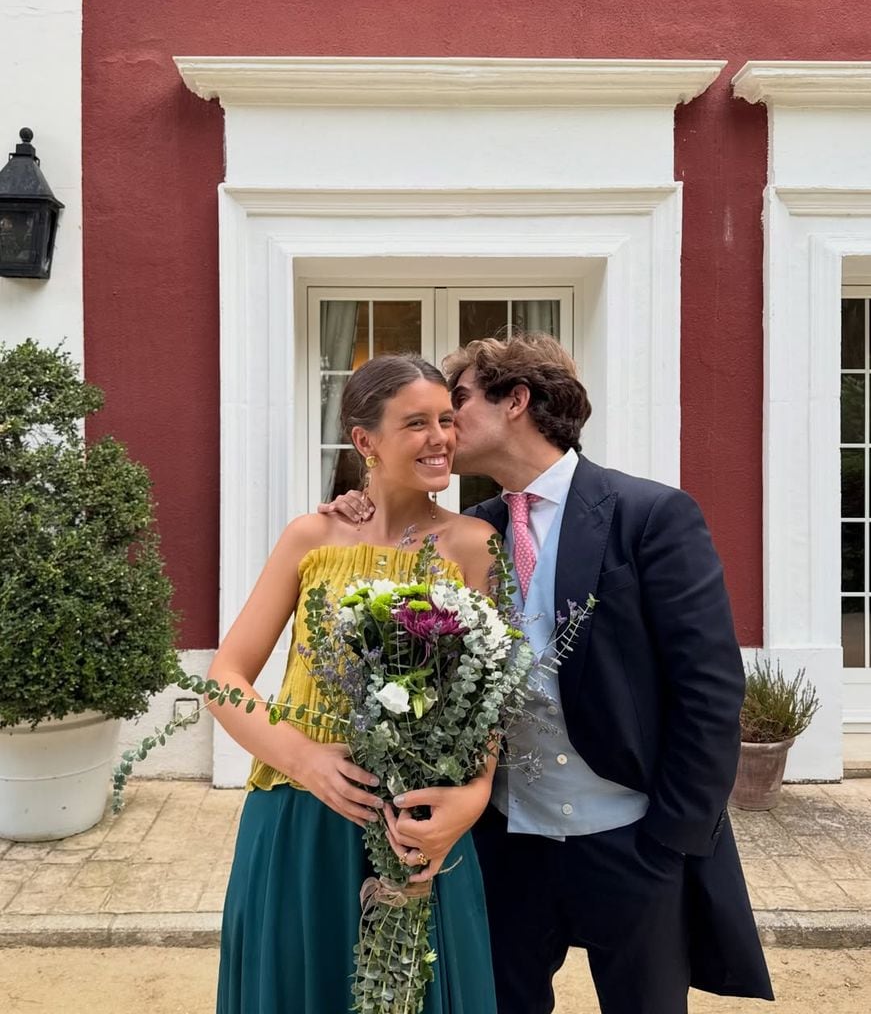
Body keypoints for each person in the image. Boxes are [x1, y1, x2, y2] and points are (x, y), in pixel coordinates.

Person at [323, 334, 774, 1014]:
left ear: (516, 401)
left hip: (631, 836)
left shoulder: (648, 515)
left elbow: (708, 690)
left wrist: (668, 840)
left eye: (458, 404)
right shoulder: (467, 533)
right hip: (504, 841)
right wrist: (359, 508)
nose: (444, 425)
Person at [209, 354, 499, 1014]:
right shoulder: (310, 537)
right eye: (416, 423)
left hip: (419, 825)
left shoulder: (474, 544)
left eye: (447, 420)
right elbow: (225, 678)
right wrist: (304, 758)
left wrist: (474, 795)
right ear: (365, 441)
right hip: (300, 818)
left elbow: (489, 698)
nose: (441, 439)